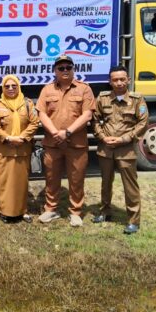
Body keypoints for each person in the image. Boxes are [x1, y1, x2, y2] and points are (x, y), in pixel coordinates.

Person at [36, 55, 95, 227]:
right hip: (52, 143)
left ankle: (75, 212)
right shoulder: (47, 90)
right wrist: (55, 132)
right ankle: (51, 209)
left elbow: (87, 114)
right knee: (51, 178)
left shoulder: (84, 89)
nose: (65, 70)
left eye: (68, 67)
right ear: (55, 71)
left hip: (76, 143)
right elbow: (42, 113)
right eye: (61, 68)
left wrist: (67, 132)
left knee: (76, 179)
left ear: (73, 69)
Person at [92, 66, 148, 234]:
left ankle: (133, 220)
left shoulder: (137, 100)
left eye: (122, 79)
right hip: (106, 148)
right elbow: (95, 120)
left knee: (130, 186)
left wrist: (124, 138)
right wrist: (103, 137)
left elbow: (143, 123)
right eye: (115, 80)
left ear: (128, 80)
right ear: (110, 81)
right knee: (105, 183)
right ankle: (105, 212)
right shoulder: (102, 98)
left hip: (126, 150)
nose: (119, 83)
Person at [0, 75, 39, 223]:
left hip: (22, 149)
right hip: (4, 150)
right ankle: (4, 211)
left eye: (14, 86)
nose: (10, 88)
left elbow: (34, 123)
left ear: (19, 86)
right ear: (3, 88)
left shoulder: (28, 104)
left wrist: (22, 137)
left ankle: (22, 211)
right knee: (3, 182)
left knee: (21, 182)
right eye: (7, 86)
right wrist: (9, 138)